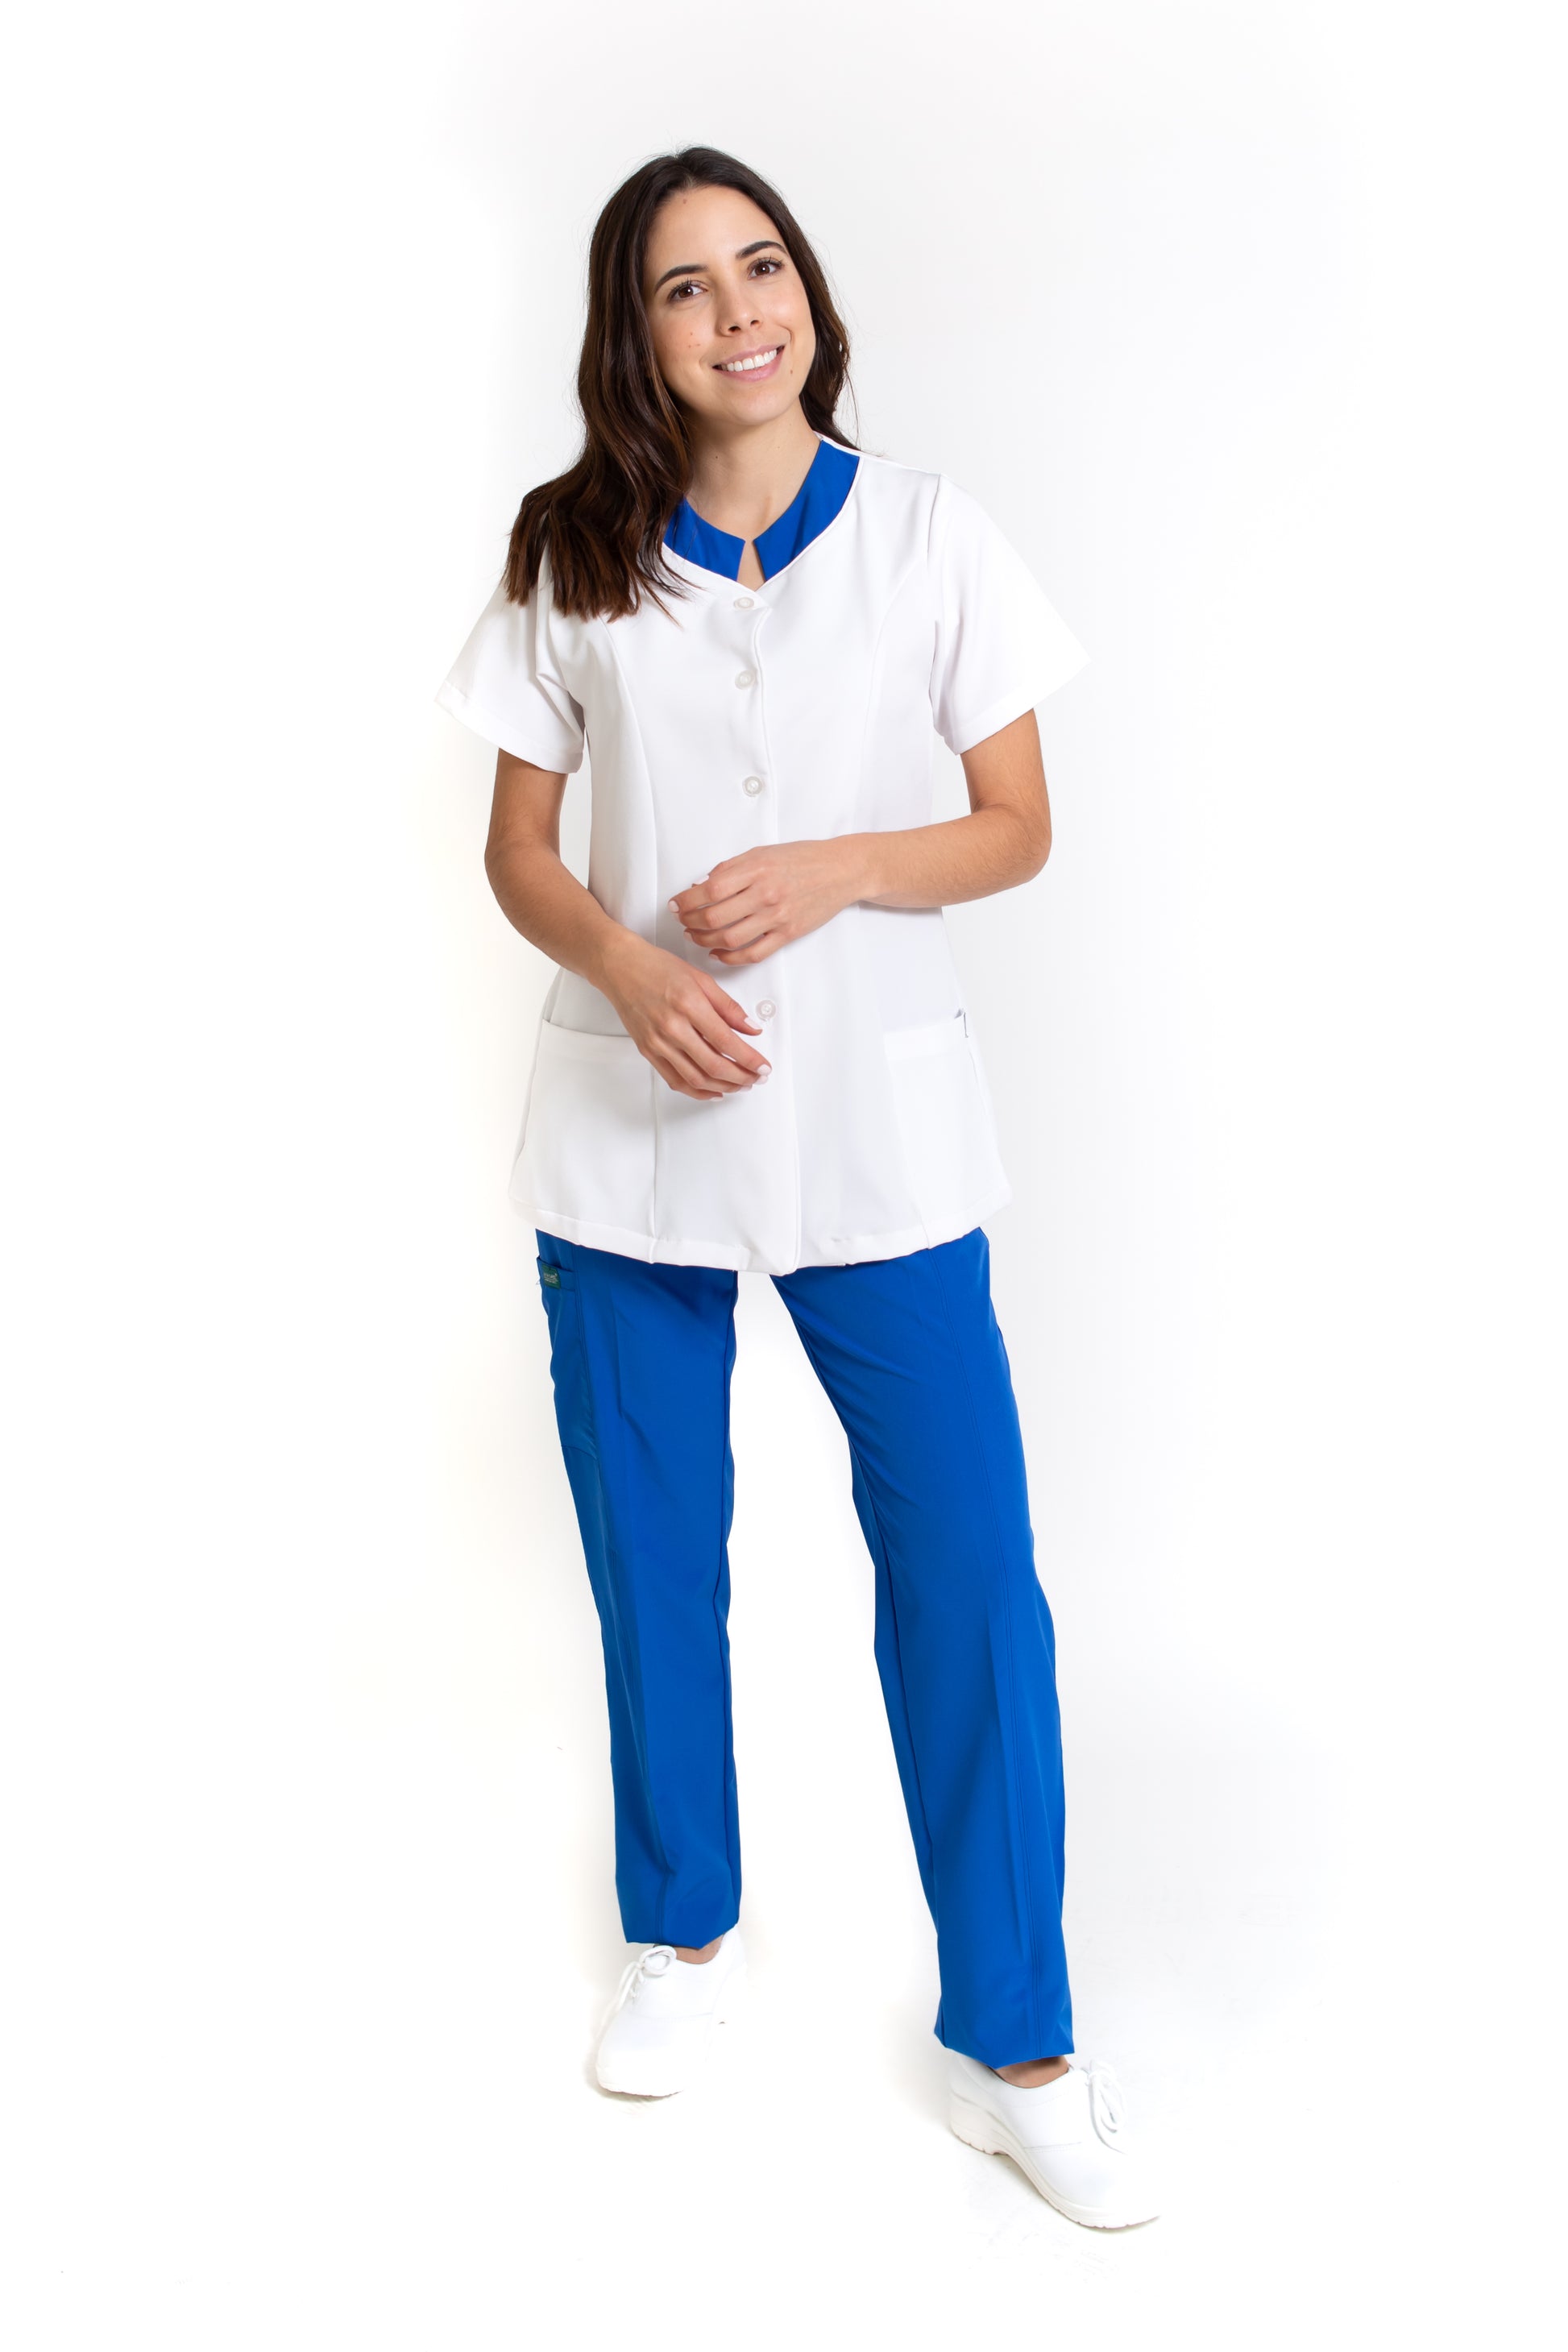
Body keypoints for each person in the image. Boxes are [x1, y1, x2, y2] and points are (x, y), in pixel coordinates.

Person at [436, 147, 1158, 2231]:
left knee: (968, 1577)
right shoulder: (569, 551)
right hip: (629, 1131)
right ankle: (681, 1937)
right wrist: (628, 967)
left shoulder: (930, 534)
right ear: (635, 333)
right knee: (652, 1557)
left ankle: (1019, 2046)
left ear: (811, 300)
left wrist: (845, 863)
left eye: (763, 268)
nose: (738, 309)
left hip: (876, 1127)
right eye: (686, 286)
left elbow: (1014, 825)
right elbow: (519, 855)